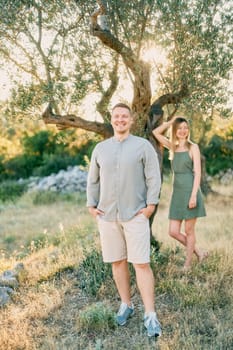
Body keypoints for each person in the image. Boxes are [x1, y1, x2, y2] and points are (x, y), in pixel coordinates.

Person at [87, 103, 162, 337]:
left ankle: (150, 315)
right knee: (117, 262)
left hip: (136, 214)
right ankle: (126, 305)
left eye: (124, 116)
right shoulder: (100, 149)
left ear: (131, 121)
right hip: (107, 216)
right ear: (112, 120)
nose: (120, 120)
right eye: (116, 116)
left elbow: (153, 176)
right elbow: (93, 179)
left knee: (141, 263)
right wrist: (91, 204)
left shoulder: (143, 146)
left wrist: (150, 206)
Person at [152, 116, 208, 271]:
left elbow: (197, 173)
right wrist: (171, 122)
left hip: (191, 191)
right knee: (173, 231)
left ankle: (187, 265)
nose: (183, 131)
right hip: (177, 194)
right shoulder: (173, 147)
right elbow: (156, 133)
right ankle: (199, 252)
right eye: (180, 128)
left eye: (185, 127)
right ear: (175, 131)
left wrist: (193, 196)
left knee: (189, 231)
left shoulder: (193, 147)